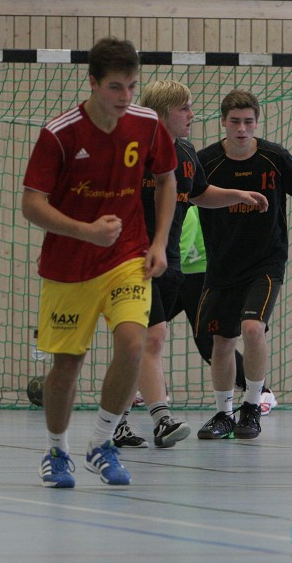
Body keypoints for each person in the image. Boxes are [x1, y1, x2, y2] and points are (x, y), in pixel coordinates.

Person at [21, 37, 177, 488]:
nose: (126, 97)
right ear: (92, 83)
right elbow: (31, 204)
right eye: (115, 87)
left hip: (127, 256)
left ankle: (102, 442)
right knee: (68, 363)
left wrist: (160, 242)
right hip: (69, 264)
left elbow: (166, 181)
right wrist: (86, 231)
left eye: (131, 86)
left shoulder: (147, 125)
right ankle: (57, 450)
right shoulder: (60, 133)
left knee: (133, 343)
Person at [113, 79, 269, 448]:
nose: (192, 115)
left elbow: (198, 193)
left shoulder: (184, 151)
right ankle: (161, 418)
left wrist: (236, 195)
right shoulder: (133, 153)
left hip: (169, 262)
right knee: (152, 337)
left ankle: (116, 421)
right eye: (184, 108)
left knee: (140, 345)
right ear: (162, 113)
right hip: (132, 259)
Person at [194, 90, 292, 440]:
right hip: (223, 263)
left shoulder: (275, 157)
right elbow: (183, 198)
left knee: (252, 328)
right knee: (221, 340)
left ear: (256, 123)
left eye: (248, 122)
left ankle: (252, 406)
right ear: (223, 122)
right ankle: (223, 413)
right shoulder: (207, 162)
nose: (241, 128)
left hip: (266, 260)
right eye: (235, 121)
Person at [177, 206, 279, 414]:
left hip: (197, 274)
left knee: (211, 340)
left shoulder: (187, 204)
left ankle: (262, 393)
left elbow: (181, 247)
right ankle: (144, 386)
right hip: (183, 274)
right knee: (145, 328)